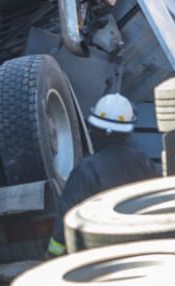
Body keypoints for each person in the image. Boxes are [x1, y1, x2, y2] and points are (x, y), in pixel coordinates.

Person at [47, 93, 157, 257]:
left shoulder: (87, 169)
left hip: (103, 256)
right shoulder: (144, 163)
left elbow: (66, 221)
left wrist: (52, 258)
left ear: (95, 130)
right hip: (144, 251)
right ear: (127, 133)